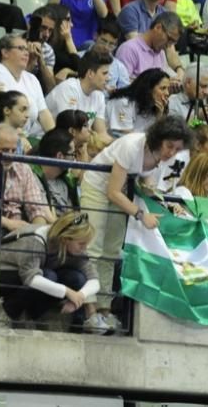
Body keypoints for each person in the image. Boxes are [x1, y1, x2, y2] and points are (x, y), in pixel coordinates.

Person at [80, 116, 191, 329]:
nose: (171, 153)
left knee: (111, 252)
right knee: (93, 248)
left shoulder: (161, 158)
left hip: (120, 193)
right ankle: (90, 311)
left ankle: (105, 310)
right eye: (169, 146)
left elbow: (147, 183)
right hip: (97, 187)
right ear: (159, 139)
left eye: (177, 149)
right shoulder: (131, 146)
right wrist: (141, 215)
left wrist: (164, 203)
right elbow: (112, 192)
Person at [0, 210, 99, 330]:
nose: (84, 248)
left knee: (76, 278)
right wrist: (68, 292)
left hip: (37, 272)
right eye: (81, 244)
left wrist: (79, 296)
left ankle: (33, 315)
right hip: (5, 274)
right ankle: (7, 313)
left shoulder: (75, 248)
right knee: (49, 276)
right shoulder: (36, 240)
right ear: (66, 239)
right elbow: (31, 279)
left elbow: (94, 279)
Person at [0, 34, 54, 137]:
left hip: (17, 138)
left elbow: (44, 114)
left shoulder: (32, 79)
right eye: (21, 48)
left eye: (27, 49)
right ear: (5, 53)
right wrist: (21, 139)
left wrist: (54, 138)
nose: (26, 53)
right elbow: (7, 115)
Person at [114, 11, 183, 79]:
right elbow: (121, 84)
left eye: (173, 42)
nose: (169, 46)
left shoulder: (160, 52)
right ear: (158, 27)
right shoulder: (128, 49)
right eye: (169, 39)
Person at [106, 68, 171, 135]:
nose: (167, 93)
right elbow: (126, 137)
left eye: (168, 89)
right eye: (163, 88)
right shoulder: (123, 103)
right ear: (148, 89)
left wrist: (159, 118)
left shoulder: (155, 106)